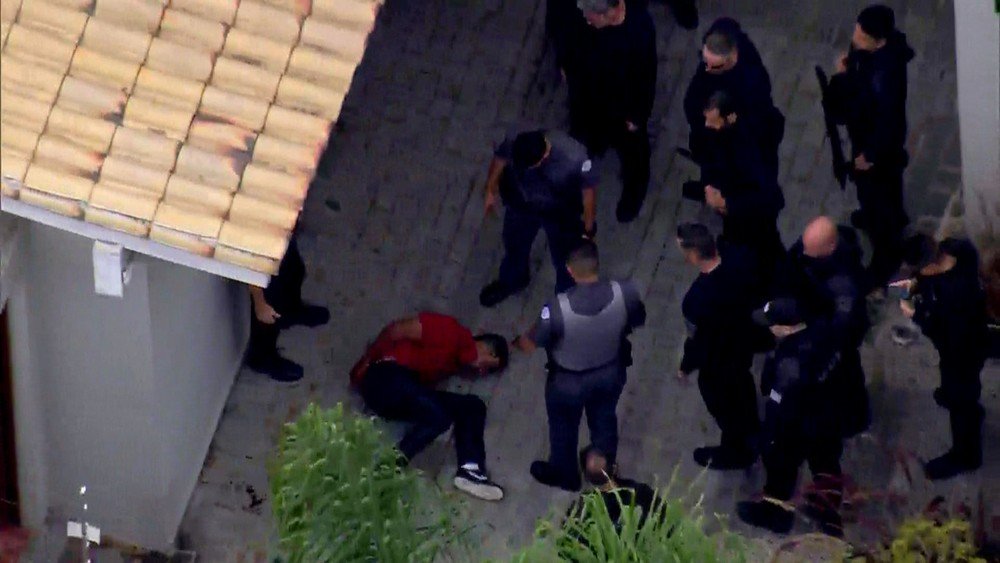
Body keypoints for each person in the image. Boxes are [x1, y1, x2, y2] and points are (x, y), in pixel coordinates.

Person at [513, 240, 646, 491]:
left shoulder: (556, 308)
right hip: (609, 372)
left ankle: (565, 474)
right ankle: (603, 471)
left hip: (567, 381)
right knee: (604, 418)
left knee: (563, 425)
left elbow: (532, 343)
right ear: (597, 265)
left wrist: (518, 342)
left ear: (570, 270)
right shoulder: (625, 292)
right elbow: (637, 320)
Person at [349, 312, 510, 500]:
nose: (482, 372)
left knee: (472, 406)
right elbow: (397, 330)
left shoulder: (452, 364)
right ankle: (389, 467)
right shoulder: (453, 333)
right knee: (439, 416)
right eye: (488, 367)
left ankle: (470, 470)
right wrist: (367, 360)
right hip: (386, 377)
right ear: (490, 351)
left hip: (401, 396)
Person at [738, 297, 846, 537]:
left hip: (796, 424)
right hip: (827, 413)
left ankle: (776, 514)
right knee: (826, 463)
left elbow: (779, 411)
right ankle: (828, 512)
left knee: (780, 471)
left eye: (772, 324)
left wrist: (767, 440)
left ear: (787, 328)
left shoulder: (789, 366)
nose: (769, 328)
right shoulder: (823, 331)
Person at [827, 4, 915, 294]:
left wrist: (870, 156)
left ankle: (886, 256)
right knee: (884, 192)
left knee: (877, 196)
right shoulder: (878, 56)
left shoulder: (884, 79)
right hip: (873, 141)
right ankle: (890, 217)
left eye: (862, 37)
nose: (855, 39)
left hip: (877, 149)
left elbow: (887, 121)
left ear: (879, 41)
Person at [896, 234, 988, 480]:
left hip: (963, 349)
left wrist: (915, 314)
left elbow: (941, 331)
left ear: (930, 267)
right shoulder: (959, 249)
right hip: (973, 335)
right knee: (953, 381)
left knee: (962, 399)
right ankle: (953, 395)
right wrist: (911, 287)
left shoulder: (951, 295)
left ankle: (966, 455)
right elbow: (915, 281)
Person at [676, 223, 767, 469]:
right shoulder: (739, 263)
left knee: (724, 406)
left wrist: (685, 366)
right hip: (743, 346)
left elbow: (696, 341)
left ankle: (738, 451)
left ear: (693, 255)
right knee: (743, 387)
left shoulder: (695, 300)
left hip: (718, 361)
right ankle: (752, 428)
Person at [559, 0, 657, 223]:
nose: (586, 20)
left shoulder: (639, 30)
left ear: (607, 15)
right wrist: (566, 64)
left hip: (622, 106)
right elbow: (568, 32)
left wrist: (638, 116)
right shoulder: (585, 17)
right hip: (587, 97)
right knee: (584, 137)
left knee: (634, 153)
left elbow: (646, 77)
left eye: (590, 17)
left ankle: (634, 189)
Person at [480, 128, 598, 307]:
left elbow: (588, 193)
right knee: (514, 243)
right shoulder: (518, 139)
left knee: (566, 257)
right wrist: (490, 187)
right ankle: (513, 279)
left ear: (544, 157)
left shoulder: (574, 158)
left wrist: (588, 230)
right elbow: (501, 157)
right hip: (521, 203)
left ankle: (567, 297)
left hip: (560, 212)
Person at [780, 217, 871, 439]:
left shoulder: (845, 284)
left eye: (811, 250)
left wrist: (812, 335)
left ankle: (855, 420)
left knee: (845, 381)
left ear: (830, 247)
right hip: (819, 318)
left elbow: (843, 328)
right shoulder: (814, 250)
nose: (804, 252)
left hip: (837, 343)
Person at [697, 90, 786, 281]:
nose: (707, 125)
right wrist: (708, 185)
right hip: (734, 202)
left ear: (730, 117)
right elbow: (711, 159)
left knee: (765, 249)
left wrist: (726, 203)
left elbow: (766, 197)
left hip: (753, 215)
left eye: (713, 122)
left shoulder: (751, 151)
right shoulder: (722, 132)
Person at [683, 17, 783, 178]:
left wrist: (725, 122)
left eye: (713, 65)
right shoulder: (722, 37)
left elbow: (750, 118)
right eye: (705, 60)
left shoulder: (752, 83)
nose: (707, 68)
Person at [246, 236, 329, 382]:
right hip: (257, 245)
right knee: (270, 301)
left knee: (294, 270)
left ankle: (290, 311)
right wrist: (260, 302)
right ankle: (262, 357)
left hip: (278, 234)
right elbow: (251, 255)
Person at [566, 446, 658, 529]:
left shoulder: (581, 510)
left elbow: (568, 536)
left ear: (586, 477)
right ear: (615, 468)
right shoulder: (642, 492)